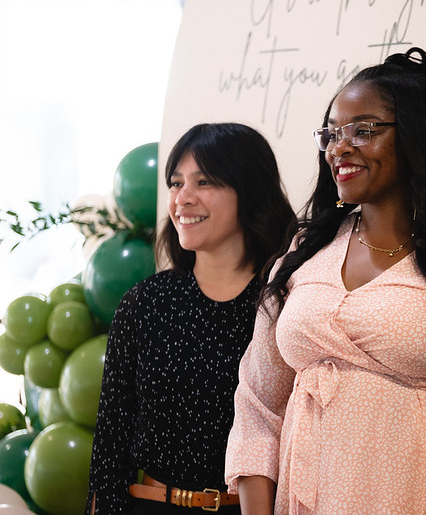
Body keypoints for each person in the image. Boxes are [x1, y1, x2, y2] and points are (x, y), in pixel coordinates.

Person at [224, 47, 426, 514]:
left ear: (419, 138)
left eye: (363, 131)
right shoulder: (302, 258)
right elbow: (259, 408)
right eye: (332, 133)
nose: (339, 148)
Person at [86, 123, 297, 515]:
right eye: (176, 183)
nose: (183, 198)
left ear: (249, 190)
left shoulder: (285, 305)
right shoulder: (144, 303)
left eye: (204, 182)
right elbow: (110, 446)